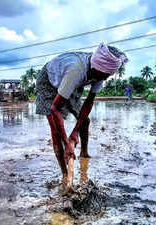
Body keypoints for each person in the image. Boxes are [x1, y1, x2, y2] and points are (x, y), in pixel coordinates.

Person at [35, 43, 128, 194]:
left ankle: (84, 153)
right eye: (104, 75)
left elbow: (89, 103)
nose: (105, 78)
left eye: (108, 76)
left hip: (68, 80)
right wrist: (67, 143)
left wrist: (75, 133)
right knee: (56, 132)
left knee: (85, 120)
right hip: (49, 81)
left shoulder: (100, 73)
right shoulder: (76, 70)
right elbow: (55, 108)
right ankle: (65, 175)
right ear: (96, 68)